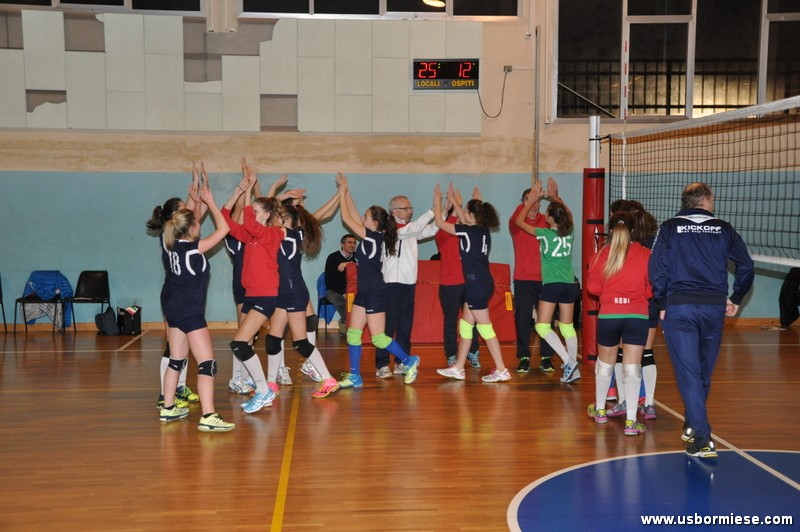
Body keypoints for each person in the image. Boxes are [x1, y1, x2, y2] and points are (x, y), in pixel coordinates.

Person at [649, 182, 754, 458]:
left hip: (680, 308)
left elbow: (656, 268)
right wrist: (736, 298)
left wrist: (662, 303)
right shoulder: (724, 228)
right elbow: (746, 265)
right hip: (712, 309)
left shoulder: (670, 227)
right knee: (702, 373)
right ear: (706, 200)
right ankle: (693, 424)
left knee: (690, 373)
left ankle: (703, 438)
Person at [158, 181, 235, 432]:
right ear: (191, 228)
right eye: (197, 222)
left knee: (176, 360)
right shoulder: (193, 250)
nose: (199, 223)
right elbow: (224, 228)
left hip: (174, 309)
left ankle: (168, 408)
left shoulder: (168, 243)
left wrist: (195, 200)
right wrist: (210, 202)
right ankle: (208, 415)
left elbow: (185, 220)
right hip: (190, 311)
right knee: (206, 363)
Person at [336, 173, 421, 388]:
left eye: (365, 217)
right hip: (364, 292)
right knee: (353, 333)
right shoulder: (372, 234)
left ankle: (409, 361)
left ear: (373, 223)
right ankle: (355, 375)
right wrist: (346, 190)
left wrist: (340, 194)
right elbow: (354, 215)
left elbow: (347, 218)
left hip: (375, 292)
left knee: (379, 338)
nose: (361, 219)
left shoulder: (373, 237)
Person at [222, 167, 287, 414]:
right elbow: (226, 220)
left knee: (240, 343)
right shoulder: (249, 238)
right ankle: (261, 387)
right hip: (251, 296)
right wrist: (239, 191)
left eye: (257, 211)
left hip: (265, 296)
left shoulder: (273, 234)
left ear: (267, 215)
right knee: (241, 343)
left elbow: (249, 221)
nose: (251, 213)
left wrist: (249, 192)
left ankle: (262, 390)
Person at [262, 199, 342, 399]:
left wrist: (279, 196)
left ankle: (328, 379)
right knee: (273, 338)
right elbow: (315, 217)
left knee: (300, 342)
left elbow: (266, 213)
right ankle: (271, 383)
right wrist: (338, 196)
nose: (273, 218)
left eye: (277, 215)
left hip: (292, 293)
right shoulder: (297, 232)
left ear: (285, 219)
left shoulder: (282, 233)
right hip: (283, 292)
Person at [434, 184, 511, 383]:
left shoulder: (466, 231)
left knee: (485, 329)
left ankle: (501, 369)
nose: (463, 214)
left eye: (466, 212)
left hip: (476, 285)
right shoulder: (483, 229)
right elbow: (470, 216)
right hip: (480, 283)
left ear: (471, 216)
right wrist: (459, 203)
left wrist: (438, 200)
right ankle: (459, 368)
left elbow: (439, 223)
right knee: (466, 325)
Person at [586, 211, 651, 436]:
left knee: (605, 364)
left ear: (610, 230)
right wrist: (636, 296)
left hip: (609, 315)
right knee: (632, 368)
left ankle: (600, 411)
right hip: (637, 315)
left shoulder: (600, 255)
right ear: (633, 230)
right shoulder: (646, 254)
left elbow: (592, 288)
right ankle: (631, 422)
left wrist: (612, 295)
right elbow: (653, 285)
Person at [146, 164, 205, 409]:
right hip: (173, 292)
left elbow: (195, 214)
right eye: (182, 208)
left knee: (184, 344)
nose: (187, 211)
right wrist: (197, 186)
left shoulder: (179, 230)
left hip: (180, 290)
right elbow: (194, 213)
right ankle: (165, 394)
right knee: (174, 345)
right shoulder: (169, 234)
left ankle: (179, 388)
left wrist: (198, 183)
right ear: (174, 216)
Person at [515, 178, 581, 384]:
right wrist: (555, 197)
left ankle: (567, 361)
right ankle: (572, 367)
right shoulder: (570, 231)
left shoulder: (544, 234)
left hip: (552, 285)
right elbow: (569, 215)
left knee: (542, 327)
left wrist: (530, 201)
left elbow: (519, 221)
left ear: (550, 219)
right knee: (567, 326)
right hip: (570, 284)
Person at [605, 200, 660, 420]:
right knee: (647, 353)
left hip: (629, 305)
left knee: (622, 354)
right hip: (651, 303)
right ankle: (649, 404)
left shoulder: (627, 247)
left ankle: (624, 401)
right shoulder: (655, 239)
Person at [375, 194, 439, 379]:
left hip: (408, 284)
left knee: (405, 326)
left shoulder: (409, 230)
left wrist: (444, 211)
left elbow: (431, 229)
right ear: (394, 211)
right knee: (387, 327)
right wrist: (432, 210)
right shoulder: (390, 228)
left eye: (411, 208)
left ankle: (401, 362)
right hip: (391, 284)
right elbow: (415, 228)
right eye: (406, 208)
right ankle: (382, 364)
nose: (410, 211)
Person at [509, 180, 556, 373]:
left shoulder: (546, 221)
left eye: (537, 201)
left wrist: (554, 196)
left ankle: (546, 357)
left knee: (546, 321)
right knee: (522, 319)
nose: (535, 205)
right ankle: (524, 357)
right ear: (523, 202)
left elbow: (564, 218)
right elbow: (517, 218)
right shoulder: (517, 222)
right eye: (531, 201)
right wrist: (531, 199)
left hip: (546, 279)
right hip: (523, 280)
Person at [434, 200, 479, 367]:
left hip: (469, 283)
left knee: (472, 321)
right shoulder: (444, 232)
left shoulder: (470, 232)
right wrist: (452, 212)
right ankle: (452, 354)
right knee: (451, 321)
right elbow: (441, 227)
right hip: (450, 283)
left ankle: (472, 352)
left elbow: (478, 224)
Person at [324, 234, 357, 337]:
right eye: (349, 242)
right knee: (341, 302)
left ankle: (348, 325)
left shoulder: (357, 258)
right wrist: (343, 292)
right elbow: (329, 281)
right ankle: (346, 324)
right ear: (342, 244)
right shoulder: (332, 257)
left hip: (353, 290)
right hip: (334, 290)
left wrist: (348, 264)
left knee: (360, 302)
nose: (352, 245)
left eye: (354, 243)